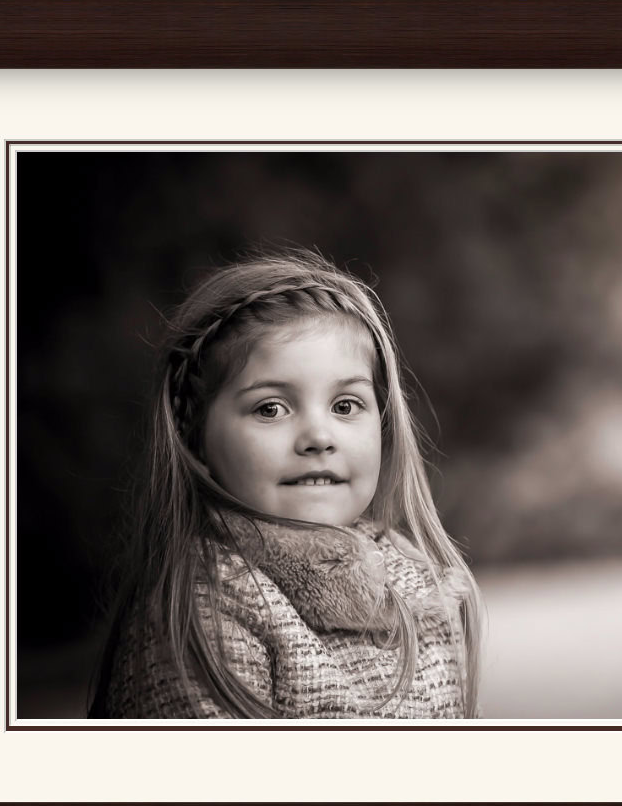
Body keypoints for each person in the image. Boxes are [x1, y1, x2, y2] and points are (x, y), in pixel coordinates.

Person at [88, 247, 484, 719]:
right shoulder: (206, 610)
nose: (318, 437)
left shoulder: (425, 588)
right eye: (270, 408)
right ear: (194, 437)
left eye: (344, 406)